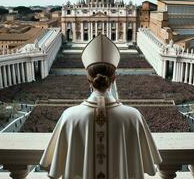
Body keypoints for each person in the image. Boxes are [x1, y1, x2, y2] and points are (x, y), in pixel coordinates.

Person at [40, 34, 162, 179]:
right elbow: (145, 164)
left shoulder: (69, 116)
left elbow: (54, 167)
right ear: (114, 79)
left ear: (88, 80)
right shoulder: (134, 116)